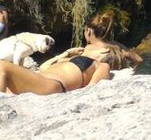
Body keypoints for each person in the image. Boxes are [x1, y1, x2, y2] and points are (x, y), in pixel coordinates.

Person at [0, 12, 138, 95]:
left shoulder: (101, 66)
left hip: (52, 85)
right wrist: (65, 54)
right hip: (37, 80)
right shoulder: (80, 55)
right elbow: (42, 68)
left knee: (3, 66)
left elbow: (92, 89)